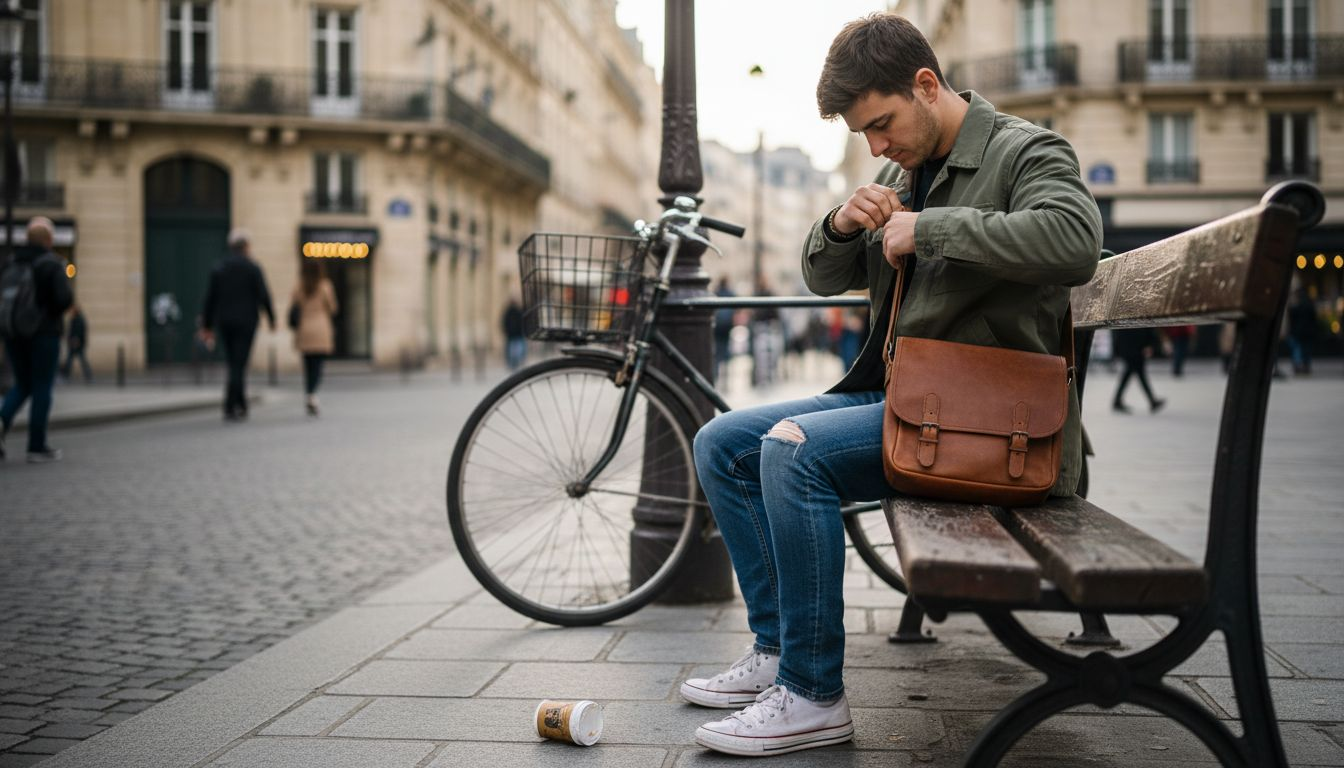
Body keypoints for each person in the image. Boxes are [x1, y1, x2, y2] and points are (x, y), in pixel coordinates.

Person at [684, 13, 1101, 757]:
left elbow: (1075, 240)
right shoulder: (895, 172)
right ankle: (780, 654)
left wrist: (933, 227)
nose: (875, 146)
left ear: (927, 85)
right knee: (719, 443)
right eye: (862, 136)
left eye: (881, 124)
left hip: (992, 426)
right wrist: (842, 225)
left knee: (791, 450)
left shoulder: (1025, 150)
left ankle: (814, 694)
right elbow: (823, 276)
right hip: (906, 404)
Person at [0, 217, 74, 462]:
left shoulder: (11, 263)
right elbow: (64, 299)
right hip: (43, 333)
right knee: (42, 385)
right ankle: (36, 445)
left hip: (13, 332)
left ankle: (2, 419)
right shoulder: (50, 264)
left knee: (22, 384)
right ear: (49, 240)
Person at [200, 227, 275, 421]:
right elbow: (264, 295)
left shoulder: (220, 267)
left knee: (233, 362)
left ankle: (238, 403)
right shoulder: (252, 267)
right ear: (247, 246)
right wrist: (271, 318)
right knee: (239, 363)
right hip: (247, 322)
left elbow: (210, 298)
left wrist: (207, 324)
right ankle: (232, 404)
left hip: (224, 321)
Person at [291, 260, 338, 416]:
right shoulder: (325, 286)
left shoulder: (299, 286)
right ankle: (312, 395)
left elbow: (294, 307)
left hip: (304, 329)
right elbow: (333, 308)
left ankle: (309, 393)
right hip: (320, 328)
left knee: (308, 365)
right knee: (317, 366)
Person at [1111, 327, 1165, 414]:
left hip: (1133, 347)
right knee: (1138, 374)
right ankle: (1152, 401)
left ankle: (1117, 401)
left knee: (1130, 374)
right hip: (1134, 348)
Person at [1286, 287, 1318, 375]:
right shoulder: (1309, 305)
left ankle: (1298, 365)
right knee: (1306, 349)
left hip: (1297, 331)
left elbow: (1291, 317)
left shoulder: (1296, 306)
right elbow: (1314, 319)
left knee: (1297, 348)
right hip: (1307, 332)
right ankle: (1305, 365)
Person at [712, 277, 736, 385]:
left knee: (717, 352)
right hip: (727, 326)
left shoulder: (716, 292)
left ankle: (716, 377)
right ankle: (726, 379)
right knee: (725, 351)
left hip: (717, 326)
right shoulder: (730, 293)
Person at [62, 303, 92, 383]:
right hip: (74, 343)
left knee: (78, 360)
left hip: (76, 343)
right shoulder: (75, 319)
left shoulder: (78, 319)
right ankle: (66, 375)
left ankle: (87, 375)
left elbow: (78, 331)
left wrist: (76, 340)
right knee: (72, 360)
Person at [501, 296, 526, 370]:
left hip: (512, 334)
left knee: (512, 349)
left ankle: (513, 361)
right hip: (517, 334)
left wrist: (506, 331)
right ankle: (516, 361)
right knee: (518, 348)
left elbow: (504, 322)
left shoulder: (508, 311)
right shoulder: (518, 311)